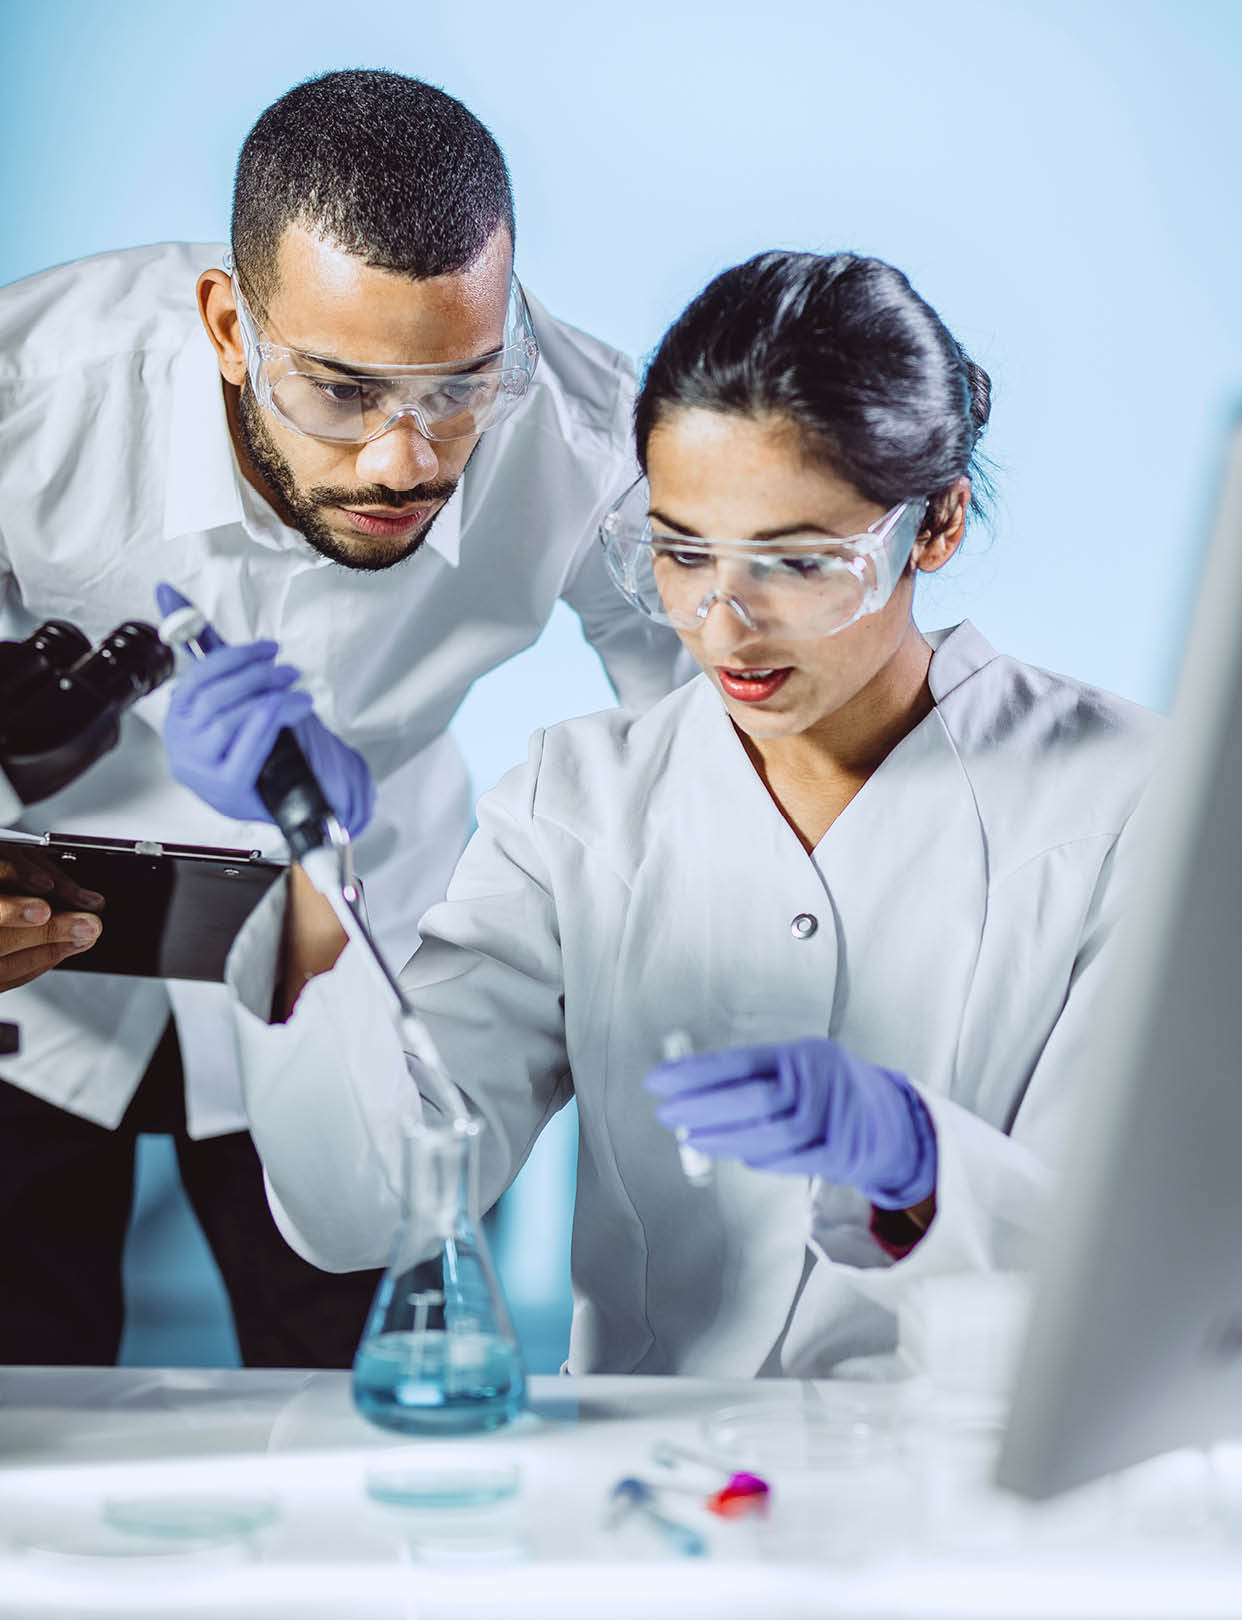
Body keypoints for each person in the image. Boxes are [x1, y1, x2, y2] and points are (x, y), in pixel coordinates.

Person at [165, 250, 1163, 1375]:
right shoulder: (576, 805)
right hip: (642, 1466)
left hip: (962, 1461)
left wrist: (919, 1163)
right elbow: (370, 1210)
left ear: (935, 525)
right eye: (683, 552)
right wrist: (305, 866)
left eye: (798, 563)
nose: (724, 627)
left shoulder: (1130, 800)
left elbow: (1156, 1264)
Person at [0, 69, 686, 1368]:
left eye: (458, 388)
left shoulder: (588, 440)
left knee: (378, 1409)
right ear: (227, 325)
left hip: (364, 959)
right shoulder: (31, 395)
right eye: (339, 391)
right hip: (39, 971)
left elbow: (713, 742)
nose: (402, 461)